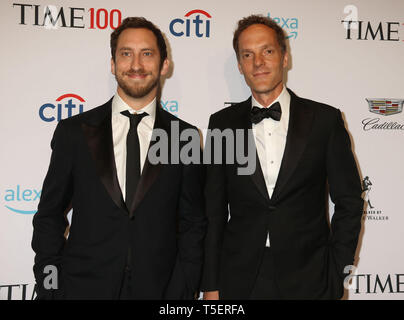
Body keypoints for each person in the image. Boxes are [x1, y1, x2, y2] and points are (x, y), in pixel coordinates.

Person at [32, 17, 206, 300]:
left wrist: (185, 288)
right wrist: (51, 285)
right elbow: (49, 216)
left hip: (160, 291)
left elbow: (193, 222)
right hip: (81, 290)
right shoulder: (74, 132)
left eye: (147, 54)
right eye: (126, 54)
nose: (136, 64)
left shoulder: (184, 136)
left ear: (164, 65)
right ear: (113, 64)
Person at [201, 15, 363, 300]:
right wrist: (211, 285)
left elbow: (349, 202)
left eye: (268, 51)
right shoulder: (221, 124)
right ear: (240, 65)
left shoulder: (325, 121)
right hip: (238, 281)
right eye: (247, 55)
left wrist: (337, 274)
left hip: (311, 279)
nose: (258, 62)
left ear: (285, 57)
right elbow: (213, 212)